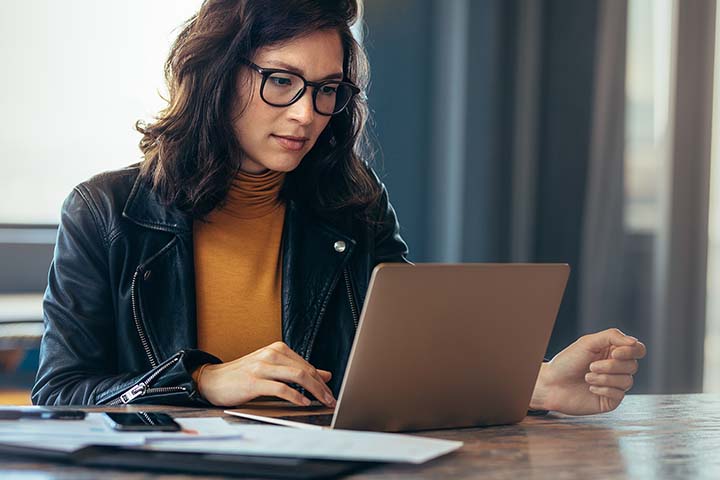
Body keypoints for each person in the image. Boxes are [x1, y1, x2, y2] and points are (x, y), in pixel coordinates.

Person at [32, 0, 646, 416]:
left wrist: (532, 384)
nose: (306, 113)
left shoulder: (352, 202)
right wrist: (200, 383)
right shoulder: (106, 212)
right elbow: (59, 394)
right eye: (281, 80)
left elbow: (406, 362)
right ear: (216, 74)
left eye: (328, 90)